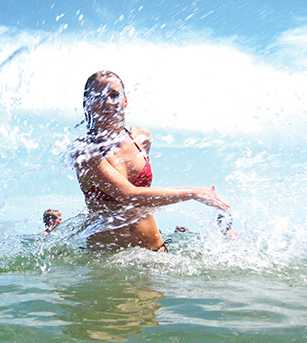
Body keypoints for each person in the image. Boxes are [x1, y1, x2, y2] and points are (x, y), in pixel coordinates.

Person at [73, 70, 230, 252]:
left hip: (156, 252)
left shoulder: (141, 138)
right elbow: (128, 194)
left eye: (114, 95)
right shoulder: (84, 150)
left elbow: (145, 195)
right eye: (98, 97)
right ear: (88, 104)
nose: (108, 102)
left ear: (125, 100)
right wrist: (193, 192)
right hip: (107, 261)